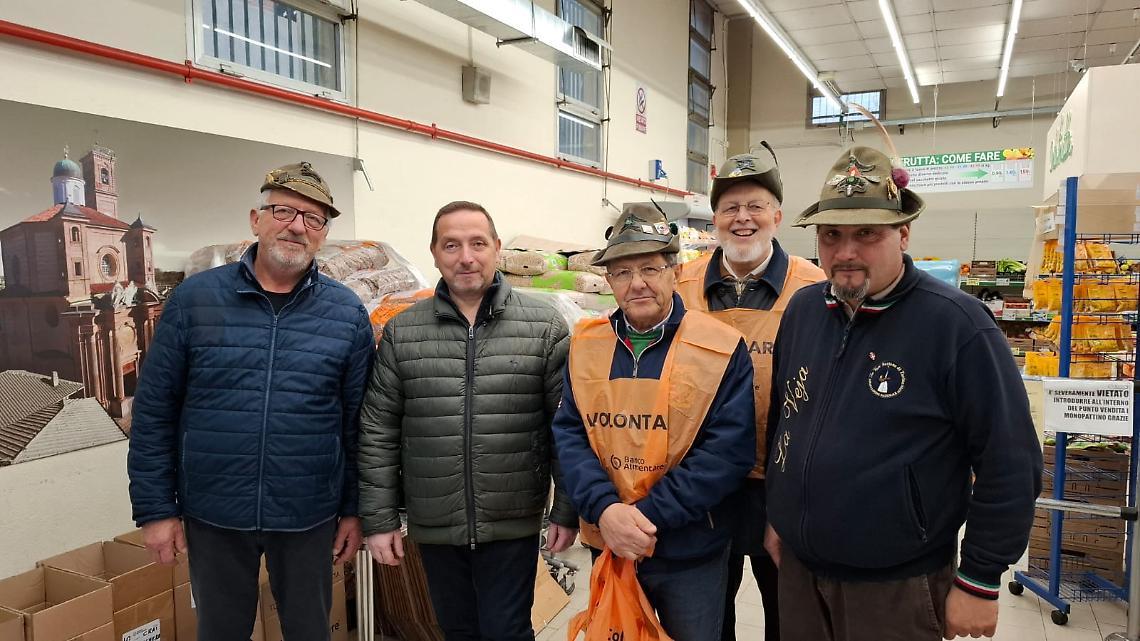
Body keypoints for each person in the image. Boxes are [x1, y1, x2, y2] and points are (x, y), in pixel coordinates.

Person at [762, 146, 1043, 641]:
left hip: (898, 585)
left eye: (867, 234)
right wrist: (778, 515)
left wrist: (979, 580)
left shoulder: (956, 326)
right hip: (801, 573)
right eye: (831, 235)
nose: (845, 252)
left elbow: (1010, 461)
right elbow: (786, 420)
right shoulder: (803, 311)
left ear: (904, 233)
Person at [127, 162, 375, 641]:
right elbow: (155, 411)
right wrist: (156, 509)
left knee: (310, 631)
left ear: (323, 235)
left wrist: (353, 509)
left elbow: (357, 424)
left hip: (307, 514)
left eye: (314, 218)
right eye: (284, 211)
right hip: (214, 512)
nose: (297, 226)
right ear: (256, 219)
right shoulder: (196, 301)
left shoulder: (346, 314)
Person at [358, 201, 578, 641]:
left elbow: (566, 428)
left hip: (512, 518)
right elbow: (378, 430)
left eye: (478, 243)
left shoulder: (544, 327)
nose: (466, 257)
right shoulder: (403, 332)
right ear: (434, 253)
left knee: (507, 630)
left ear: (496, 248)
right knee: (456, 630)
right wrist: (379, 520)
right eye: (451, 245)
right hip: (435, 521)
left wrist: (568, 509)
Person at [553, 203, 756, 641]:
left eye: (650, 268)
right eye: (623, 273)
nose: (637, 283)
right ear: (609, 281)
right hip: (610, 542)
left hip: (690, 550)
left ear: (674, 272)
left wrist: (641, 519)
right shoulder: (586, 346)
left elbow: (727, 453)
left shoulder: (719, 347)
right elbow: (570, 434)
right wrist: (606, 510)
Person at [676, 145, 825, 641]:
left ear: (777, 216)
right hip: (702, 483)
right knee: (707, 617)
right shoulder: (681, 285)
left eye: (755, 206)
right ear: (715, 219)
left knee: (789, 615)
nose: (743, 218)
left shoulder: (814, 288)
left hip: (784, 485)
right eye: (730, 208)